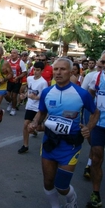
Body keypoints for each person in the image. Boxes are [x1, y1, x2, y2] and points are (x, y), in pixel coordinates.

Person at [28, 57, 99, 208]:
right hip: (49, 141)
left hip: (70, 145)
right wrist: (35, 122)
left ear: (71, 71)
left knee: (61, 185)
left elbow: (95, 112)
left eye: (63, 69)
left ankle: (71, 199)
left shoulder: (81, 94)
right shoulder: (47, 92)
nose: (58, 72)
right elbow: (41, 112)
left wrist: (89, 127)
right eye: (56, 69)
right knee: (48, 182)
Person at [86, 55, 105, 207]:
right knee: (97, 157)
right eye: (103, 62)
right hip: (99, 124)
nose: (103, 64)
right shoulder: (97, 77)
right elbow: (91, 94)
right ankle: (96, 193)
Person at [17, 61, 48, 154]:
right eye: (34, 69)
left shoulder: (43, 82)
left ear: (42, 71)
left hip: (38, 108)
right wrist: (24, 96)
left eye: (38, 70)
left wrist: (36, 97)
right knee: (26, 124)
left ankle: (47, 129)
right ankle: (25, 145)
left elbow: (44, 97)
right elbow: (29, 90)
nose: (35, 72)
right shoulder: (29, 79)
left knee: (37, 127)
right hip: (30, 106)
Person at [5, 49, 27, 116]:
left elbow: (24, 72)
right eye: (11, 53)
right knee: (6, 95)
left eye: (14, 53)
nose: (12, 54)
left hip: (17, 81)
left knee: (14, 96)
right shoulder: (8, 61)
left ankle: (13, 109)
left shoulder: (21, 62)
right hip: (9, 80)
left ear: (17, 54)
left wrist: (18, 77)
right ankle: (11, 102)